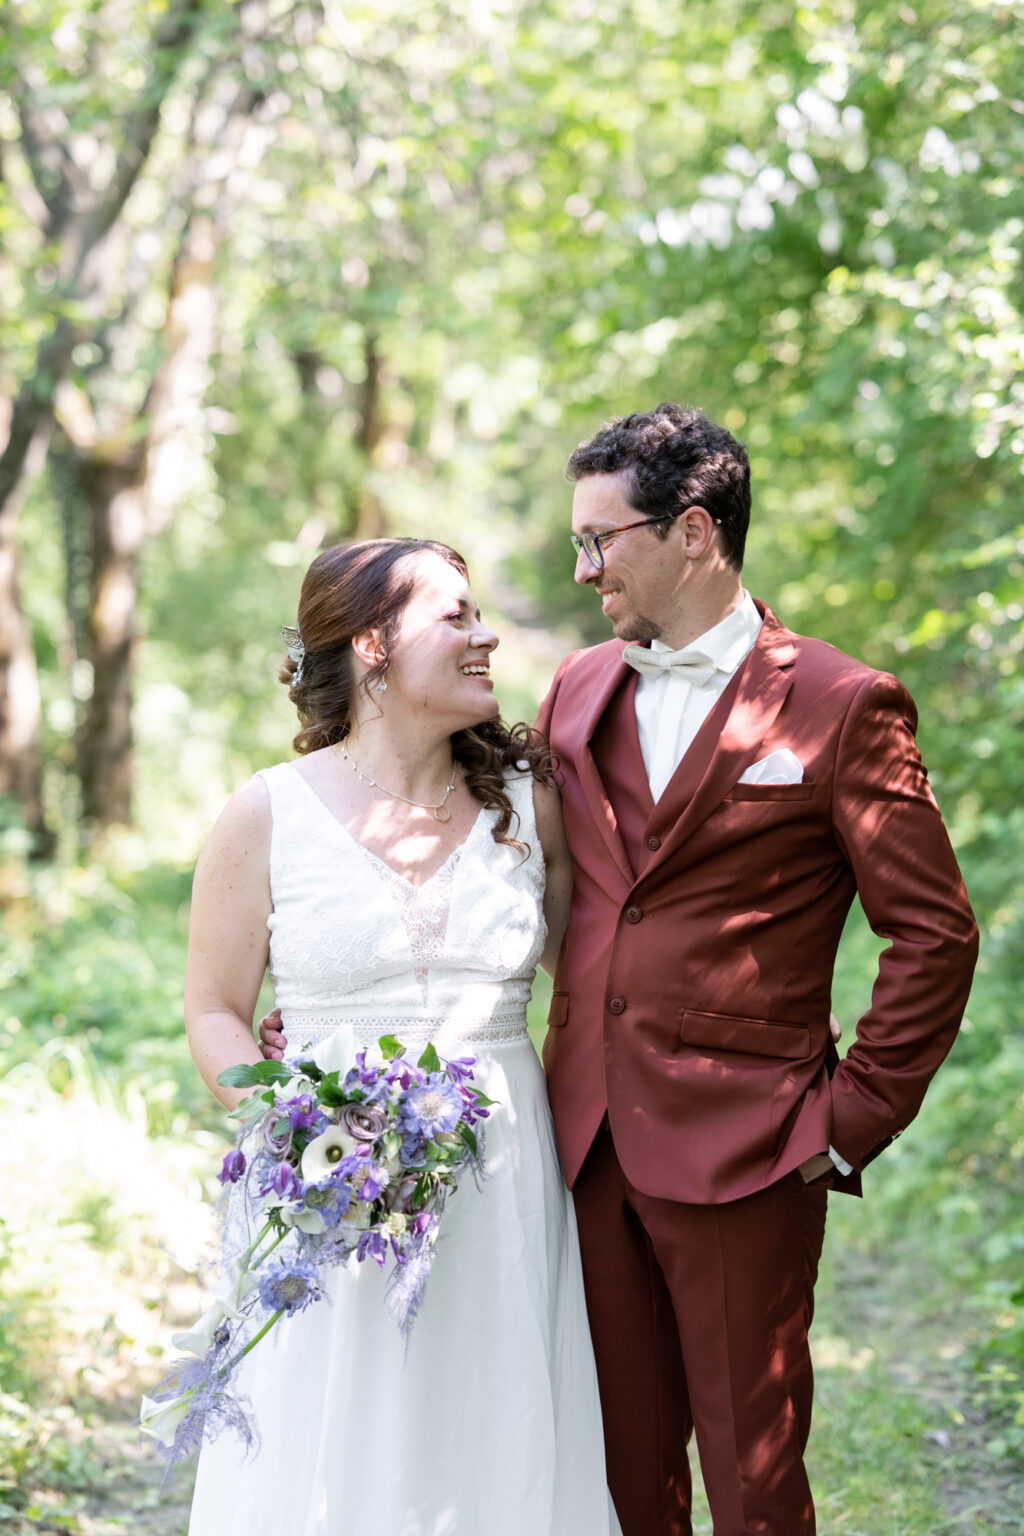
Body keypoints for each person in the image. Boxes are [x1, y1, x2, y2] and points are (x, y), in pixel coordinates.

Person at [262, 405, 979, 1535]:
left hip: (751, 1147)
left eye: (602, 541)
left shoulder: (846, 706)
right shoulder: (579, 690)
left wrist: (846, 1122)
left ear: (692, 534)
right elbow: (516, 890)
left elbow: (934, 933)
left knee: (752, 1482)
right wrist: (337, 1004)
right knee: (614, 1472)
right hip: (580, 1148)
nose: (585, 567)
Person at [184, 537, 620, 1536]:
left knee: (494, 1421)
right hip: (331, 1189)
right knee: (335, 1434)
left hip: (502, 1185)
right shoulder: (266, 814)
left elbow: (604, 972)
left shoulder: (527, 804)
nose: (487, 635)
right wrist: (298, 1127)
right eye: (456, 616)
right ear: (374, 645)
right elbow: (213, 1005)